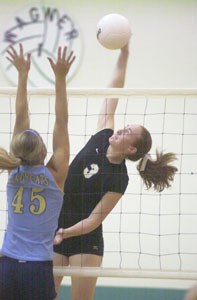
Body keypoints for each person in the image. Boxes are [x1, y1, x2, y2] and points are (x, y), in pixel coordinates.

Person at [53, 43, 178, 300]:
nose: (120, 129)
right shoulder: (102, 135)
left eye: (127, 132)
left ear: (131, 149)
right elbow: (113, 90)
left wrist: (65, 232)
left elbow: (93, 221)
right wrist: (124, 54)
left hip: (85, 239)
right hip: (56, 229)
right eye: (124, 126)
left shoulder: (119, 178)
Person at [0, 43, 75, 300]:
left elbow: (21, 116)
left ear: (17, 150)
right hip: (37, 268)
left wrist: (22, 74)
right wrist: (61, 79)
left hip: (7, 265)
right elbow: (61, 121)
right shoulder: (55, 174)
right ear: (44, 152)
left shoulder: (12, 170)